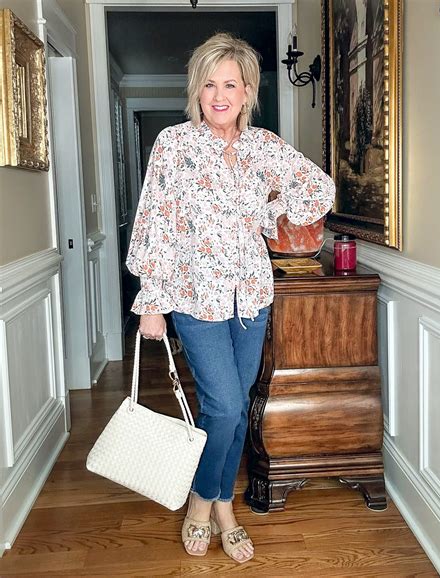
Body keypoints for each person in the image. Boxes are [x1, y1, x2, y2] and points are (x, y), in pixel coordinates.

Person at [126, 32, 335, 564]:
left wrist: (272, 213)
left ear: (247, 92)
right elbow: (154, 224)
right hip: (194, 297)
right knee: (223, 405)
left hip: (252, 297)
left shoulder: (264, 147)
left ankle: (220, 503)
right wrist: (152, 300)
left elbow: (319, 188)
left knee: (236, 409)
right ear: (197, 91)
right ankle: (206, 502)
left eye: (231, 85)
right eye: (209, 84)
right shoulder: (173, 145)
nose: (219, 95)